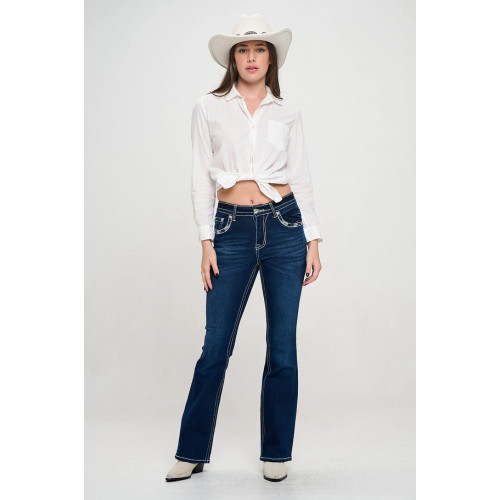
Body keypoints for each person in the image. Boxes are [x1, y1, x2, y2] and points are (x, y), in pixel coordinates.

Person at [166, 13, 323, 483]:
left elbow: (301, 176)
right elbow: (200, 176)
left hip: (285, 226)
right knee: (215, 346)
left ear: (271, 59)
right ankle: (191, 451)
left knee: (282, 347)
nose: (251, 57)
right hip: (230, 228)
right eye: (243, 50)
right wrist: (205, 239)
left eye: (260, 50)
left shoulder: (287, 111)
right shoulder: (208, 107)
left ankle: (276, 453)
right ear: (232, 58)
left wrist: (313, 238)